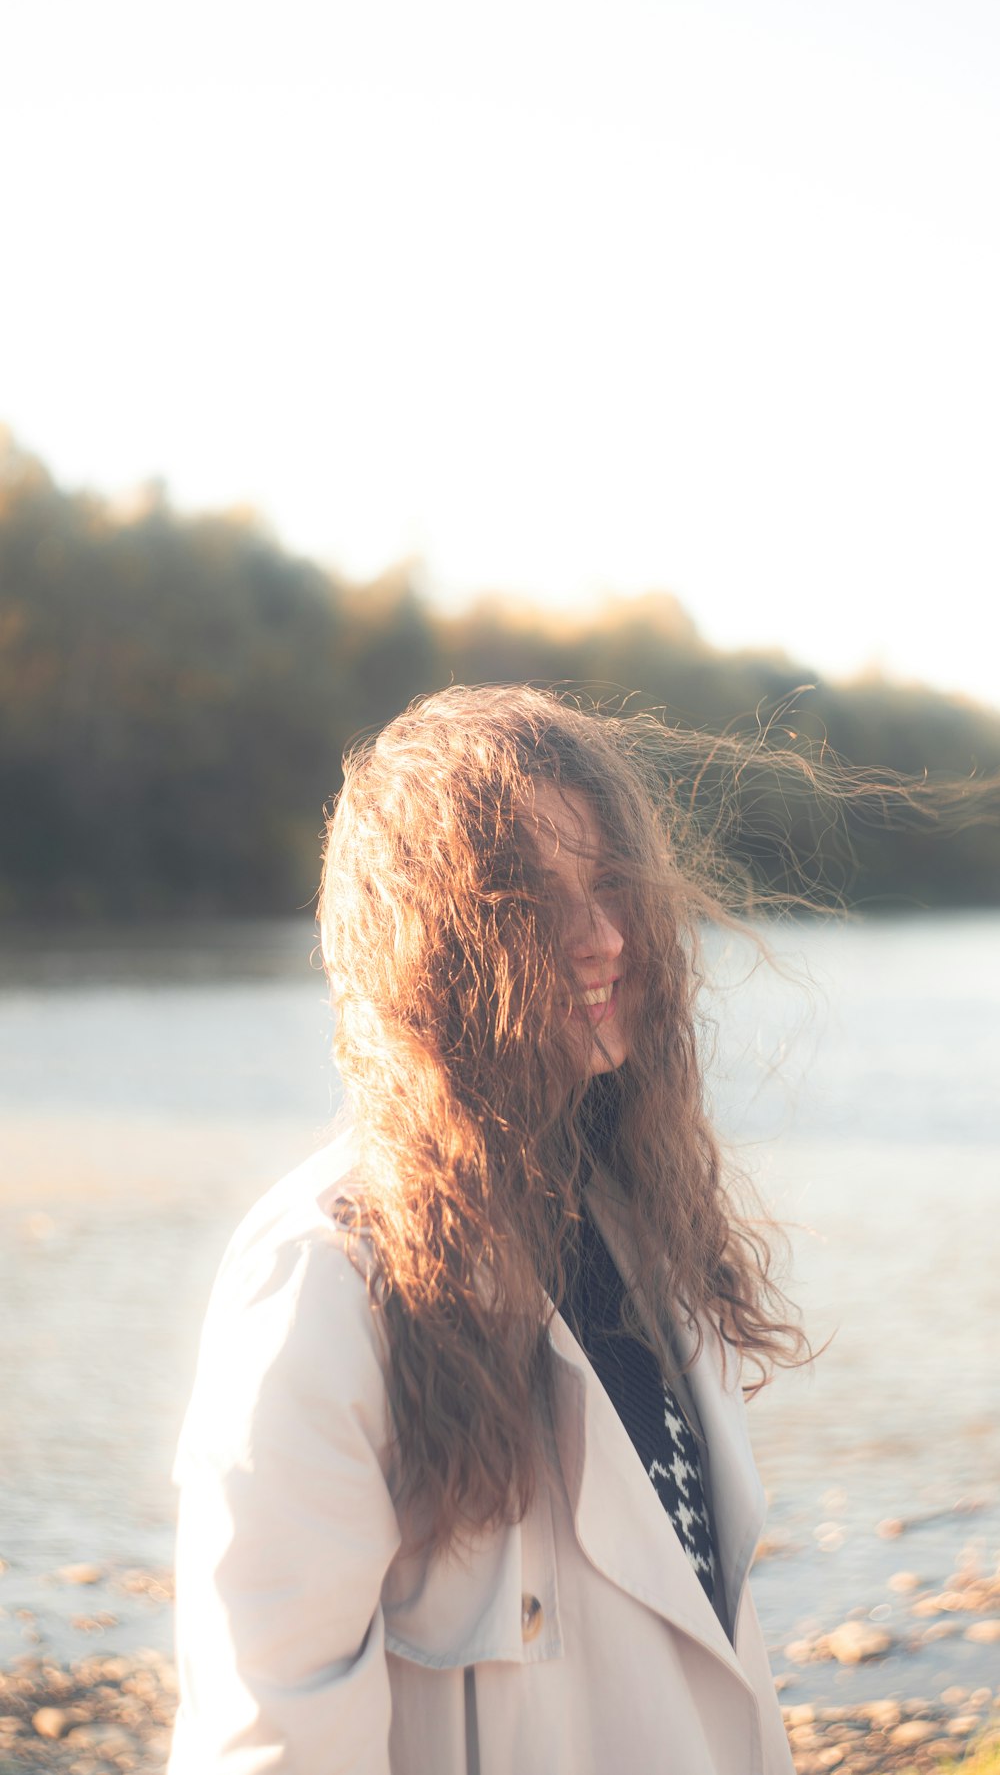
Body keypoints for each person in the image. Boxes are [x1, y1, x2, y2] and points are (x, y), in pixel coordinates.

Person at [169, 684, 808, 1775]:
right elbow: (274, 1733)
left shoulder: (630, 1216)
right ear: (430, 951)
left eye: (609, 883)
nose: (603, 937)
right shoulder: (324, 1276)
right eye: (532, 900)